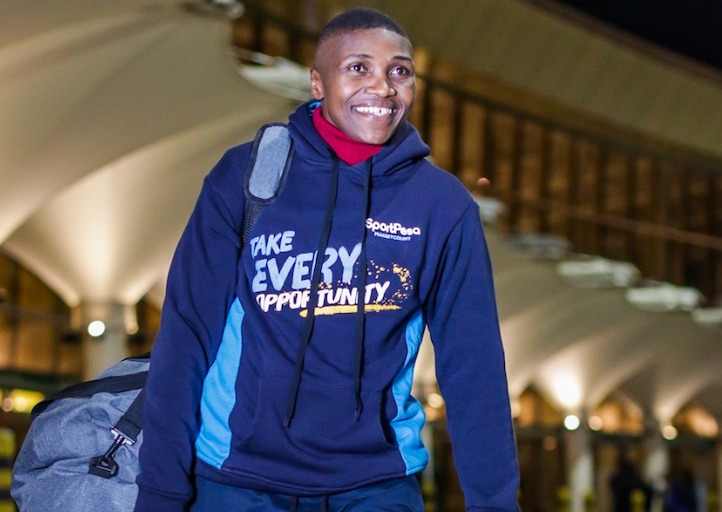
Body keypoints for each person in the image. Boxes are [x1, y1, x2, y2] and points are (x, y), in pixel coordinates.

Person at [135, 7, 519, 511]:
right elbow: (185, 338)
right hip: (236, 477)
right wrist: (161, 491)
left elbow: (475, 369)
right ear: (317, 83)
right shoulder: (247, 177)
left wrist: (495, 504)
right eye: (358, 67)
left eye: (399, 71)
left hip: (376, 483)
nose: (382, 87)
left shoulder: (440, 206)